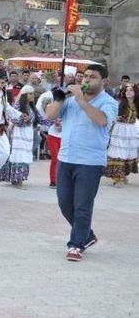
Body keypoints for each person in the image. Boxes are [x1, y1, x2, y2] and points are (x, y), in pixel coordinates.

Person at [45, 64, 118, 262]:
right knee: (64, 203)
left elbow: (102, 121)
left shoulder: (108, 102)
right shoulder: (70, 101)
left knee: (82, 206)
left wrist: (81, 99)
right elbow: (49, 116)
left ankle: (76, 244)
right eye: (84, 76)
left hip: (90, 163)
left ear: (104, 82)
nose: (86, 80)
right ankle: (87, 235)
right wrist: (60, 99)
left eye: (92, 77)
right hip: (66, 159)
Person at [0, 84, 38, 188]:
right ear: (24, 95)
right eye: (30, 94)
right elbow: (12, 118)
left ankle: (18, 179)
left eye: (33, 94)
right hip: (18, 134)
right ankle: (17, 180)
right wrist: (22, 120)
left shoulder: (32, 107)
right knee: (18, 155)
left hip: (28, 134)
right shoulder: (18, 106)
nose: (32, 96)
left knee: (24, 155)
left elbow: (37, 119)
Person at [103, 83, 138, 187]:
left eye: (131, 90)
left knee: (127, 153)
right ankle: (118, 178)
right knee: (118, 152)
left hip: (131, 131)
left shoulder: (136, 104)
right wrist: (115, 118)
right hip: (119, 130)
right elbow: (111, 115)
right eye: (127, 90)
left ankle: (123, 175)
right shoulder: (119, 103)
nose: (128, 92)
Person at [37, 88, 61, 188]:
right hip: (53, 135)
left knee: (63, 161)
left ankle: (61, 180)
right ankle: (53, 181)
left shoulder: (70, 108)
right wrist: (54, 121)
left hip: (65, 137)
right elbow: (45, 118)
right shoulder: (50, 106)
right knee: (55, 159)